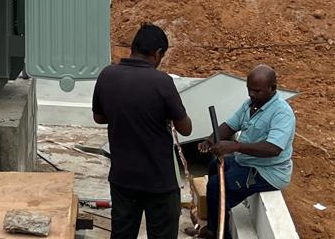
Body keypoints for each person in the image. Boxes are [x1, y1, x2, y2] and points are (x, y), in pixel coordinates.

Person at [92, 23, 192, 239]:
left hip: (122, 178)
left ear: (133, 47)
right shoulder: (162, 82)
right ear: (157, 54)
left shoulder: (107, 75)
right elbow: (185, 129)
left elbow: (99, 117)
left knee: (122, 234)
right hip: (159, 182)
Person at [193, 65, 295, 239]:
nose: (251, 94)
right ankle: (213, 225)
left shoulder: (282, 113)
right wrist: (210, 140)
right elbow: (230, 125)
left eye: (257, 91)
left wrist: (235, 147)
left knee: (217, 186)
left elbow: (273, 149)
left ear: (273, 88)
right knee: (213, 166)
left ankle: (219, 234)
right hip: (246, 161)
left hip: (267, 171)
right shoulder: (251, 104)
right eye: (249, 89)